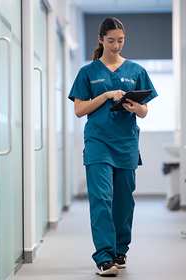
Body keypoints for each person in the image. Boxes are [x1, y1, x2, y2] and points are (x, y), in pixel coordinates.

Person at [68, 17, 158, 277]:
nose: (116, 45)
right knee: (101, 199)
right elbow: (79, 109)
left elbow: (144, 112)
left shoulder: (136, 71)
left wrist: (136, 106)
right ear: (100, 40)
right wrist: (106, 96)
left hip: (126, 143)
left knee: (123, 202)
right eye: (111, 41)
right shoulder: (88, 72)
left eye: (120, 40)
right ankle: (105, 257)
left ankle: (120, 250)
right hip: (98, 142)